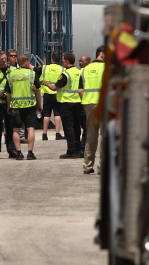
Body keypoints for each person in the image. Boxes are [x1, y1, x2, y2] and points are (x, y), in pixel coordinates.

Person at [43, 52, 82, 159]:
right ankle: (78, 149)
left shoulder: (65, 74)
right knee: (76, 127)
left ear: (67, 61)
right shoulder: (78, 72)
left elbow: (55, 88)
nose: (62, 62)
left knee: (69, 127)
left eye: (63, 60)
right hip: (78, 102)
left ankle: (71, 150)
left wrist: (46, 83)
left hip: (66, 103)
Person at [8, 55, 41, 160]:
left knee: (16, 130)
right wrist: (39, 105)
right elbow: (37, 91)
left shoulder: (11, 75)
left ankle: (18, 153)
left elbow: (8, 93)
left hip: (15, 105)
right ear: (26, 62)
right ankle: (30, 153)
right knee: (30, 128)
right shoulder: (32, 74)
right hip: (29, 105)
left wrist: (8, 106)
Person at [81, 46, 106, 174]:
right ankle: (102, 167)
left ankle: (87, 165)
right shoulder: (107, 68)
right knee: (104, 136)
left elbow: (80, 90)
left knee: (91, 135)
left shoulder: (85, 69)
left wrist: (85, 103)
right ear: (102, 54)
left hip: (89, 104)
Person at [38, 53, 64, 141]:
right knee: (57, 113)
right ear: (59, 61)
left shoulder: (45, 68)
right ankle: (57, 133)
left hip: (47, 93)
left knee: (46, 114)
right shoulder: (62, 69)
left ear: (52, 59)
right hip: (57, 93)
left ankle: (44, 134)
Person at [75, 54, 91, 152]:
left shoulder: (85, 73)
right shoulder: (78, 71)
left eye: (82, 61)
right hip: (76, 102)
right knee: (80, 126)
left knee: (85, 127)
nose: (80, 63)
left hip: (84, 103)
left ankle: (82, 147)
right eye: (79, 61)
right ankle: (79, 147)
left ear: (88, 63)